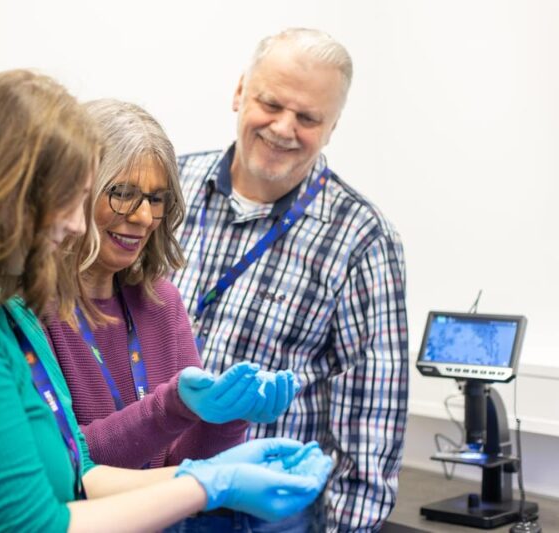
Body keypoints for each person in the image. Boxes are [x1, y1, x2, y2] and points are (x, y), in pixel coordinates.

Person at [0, 69, 333, 532]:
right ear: (9, 192)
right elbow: (34, 524)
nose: (77, 225)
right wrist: (208, 485)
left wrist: (217, 468)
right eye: (72, 199)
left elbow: (80, 472)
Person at [171, 28, 409, 531]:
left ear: (332, 127)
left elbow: (373, 423)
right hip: (144, 491)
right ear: (239, 92)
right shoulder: (168, 191)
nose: (283, 128)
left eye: (307, 118)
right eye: (271, 103)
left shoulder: (361, 239)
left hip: (256, 518)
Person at [43, 98, 299, 471]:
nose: (145, 216)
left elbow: (177, 465)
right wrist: (169, 408)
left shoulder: (161, 302)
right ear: (77, 192)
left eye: (156, 198)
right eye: (123, 194)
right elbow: (65, 466)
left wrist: (228, 417)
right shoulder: (30, 309)